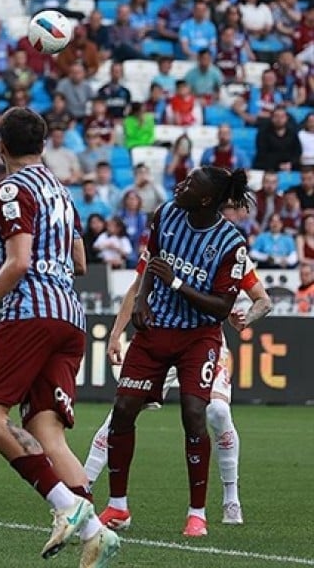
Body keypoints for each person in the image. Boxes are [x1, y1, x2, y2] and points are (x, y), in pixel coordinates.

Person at [0, 107, 120, 566]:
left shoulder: (10, 188)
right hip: (70, 316)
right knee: (47, 431)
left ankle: (67, 506)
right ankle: (97, 534)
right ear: (42, 145)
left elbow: (19, 261)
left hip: (31, 314)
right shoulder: (61, 191)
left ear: (0, 147)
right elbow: (79, 262)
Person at [99, 166, 253, 537]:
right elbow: (153, 262)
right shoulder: (166, 213)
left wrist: (178, 283)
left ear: (205, 199)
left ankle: (196, 513)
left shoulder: (231, 243)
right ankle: (118, 506)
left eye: (189, 184)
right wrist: (142, 300)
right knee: (123, 409)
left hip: (198, 338)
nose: (179, 186)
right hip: (155, 331)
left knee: (195, 412)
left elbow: (221, 307)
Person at [84, 257, 271, 527]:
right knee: (121, 413)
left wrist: (246, 318)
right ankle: (82, 488)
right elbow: (137, 287)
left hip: (202, 342)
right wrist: (116, 333)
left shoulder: (230, 251)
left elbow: (263, 300)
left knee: (218, 411)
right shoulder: (165, 240)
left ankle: (231, 498)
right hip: (160, 337)